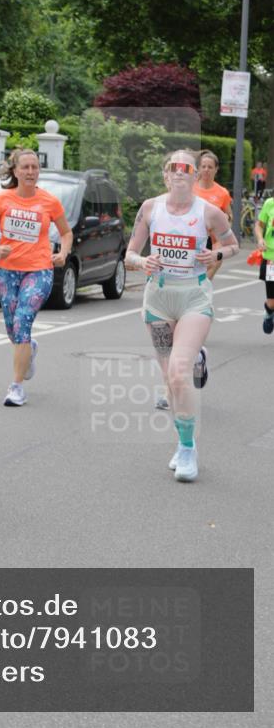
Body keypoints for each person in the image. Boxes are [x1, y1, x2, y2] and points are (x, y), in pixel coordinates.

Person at [125, 149, 239, 483]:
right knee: (170, 381)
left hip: (194, 297)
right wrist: (143, 262)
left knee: (178, 373)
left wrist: (216, 252)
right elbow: (130, 253)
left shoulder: (209, 212)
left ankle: (189, 448)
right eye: (173, 168)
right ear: (165, 175)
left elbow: (233, 244)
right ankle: (181, 440)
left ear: (194, 177)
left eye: (185, 168)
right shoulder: (150, 208)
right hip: (158, 300)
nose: (179, 173)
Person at [0, 148, 73, 406]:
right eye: (25, 167)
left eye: (34, 167)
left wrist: (63, 253)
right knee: (12, 327)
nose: (30, 172)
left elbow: (66, 232)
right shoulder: (1, 200)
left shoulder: (49, 201)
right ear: (14, 171)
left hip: (39, 269)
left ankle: (16, 387)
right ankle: (29, 350)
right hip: (7, 269)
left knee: (23, 318)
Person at [193, 150, 232, 282]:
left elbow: (229, 216)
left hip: (213, 239)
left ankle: (203, 286)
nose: (206, 170)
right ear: (198, 168)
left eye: (210, 167)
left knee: (217, 258)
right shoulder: (190, 189)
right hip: (192, 236)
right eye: (203, 166)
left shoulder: (222, 193)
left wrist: (227, 219)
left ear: (216, 169)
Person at [255, 194, 274, 335]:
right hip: (271, 258)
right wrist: (261, 239)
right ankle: (269, 312)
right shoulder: (270, 203)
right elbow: (259, 225)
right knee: (272, 301)